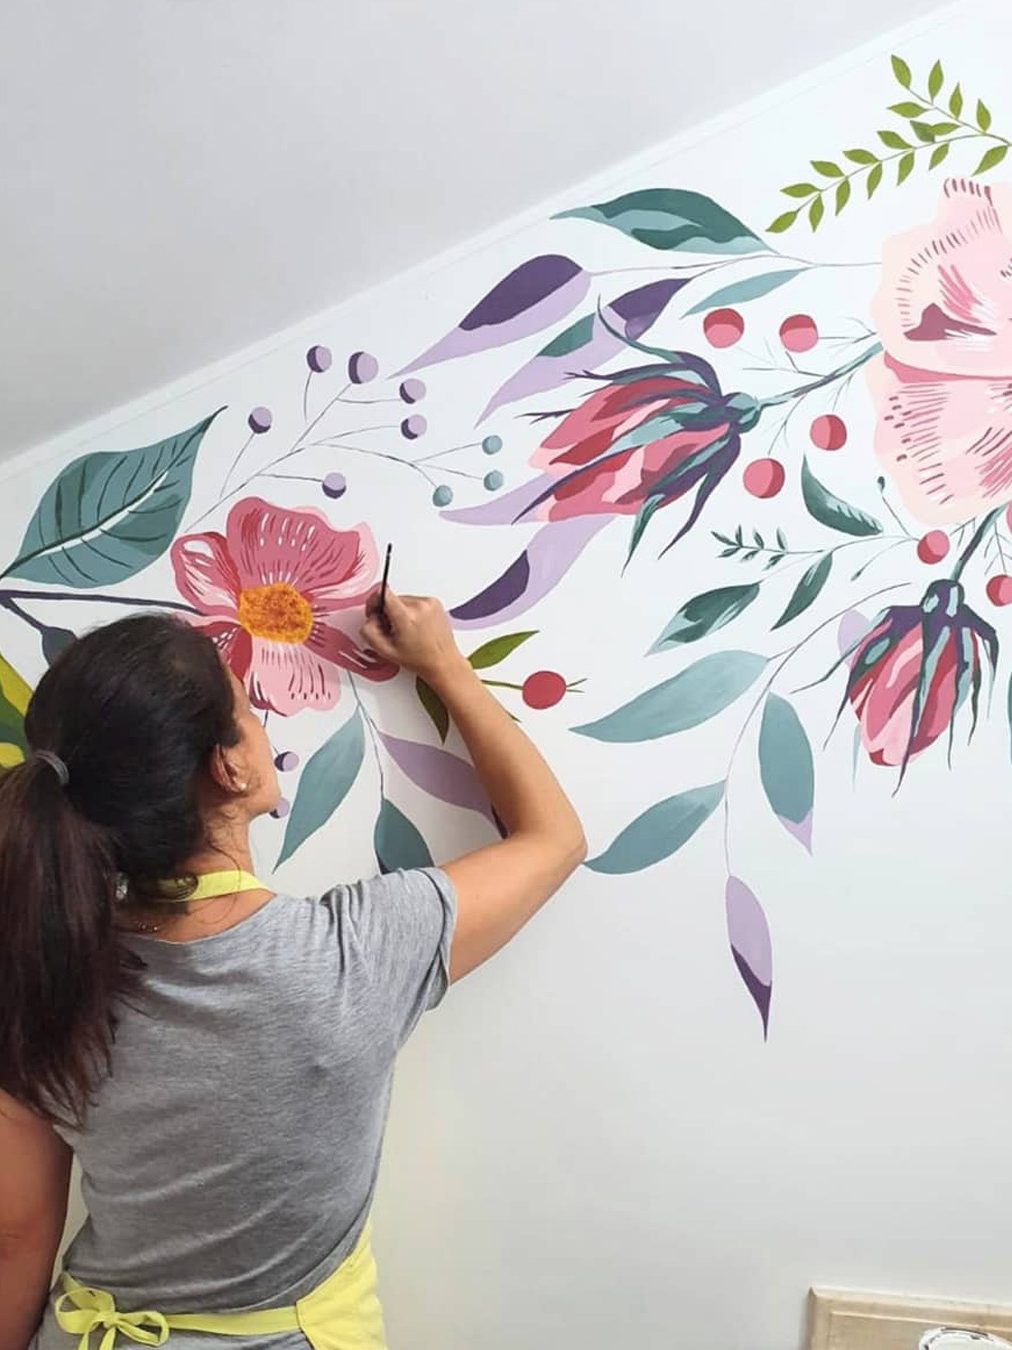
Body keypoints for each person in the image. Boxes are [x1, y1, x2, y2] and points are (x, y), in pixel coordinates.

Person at [0, 590, 585, 1350]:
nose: (263, 726)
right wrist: (444, 664)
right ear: (229, 766)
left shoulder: (40, 973)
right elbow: (555, 838)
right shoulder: (354, 954)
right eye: (248, 711)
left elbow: (15, 1236)